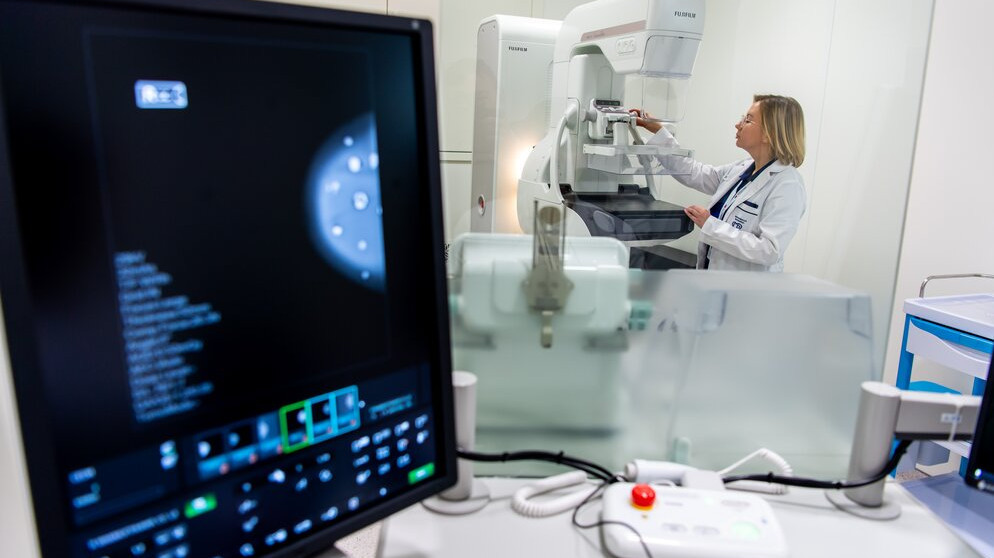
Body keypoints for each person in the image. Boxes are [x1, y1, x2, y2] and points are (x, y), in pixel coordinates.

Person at [632, 94, 806, 272]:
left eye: (747, 120)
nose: (738, 125)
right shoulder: (742, 169)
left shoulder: (787, 185)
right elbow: (694, 173)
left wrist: (710, 225)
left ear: (769, 134)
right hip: (714, 277)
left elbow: (769, 251)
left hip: (747, 286)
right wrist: (658, 130)